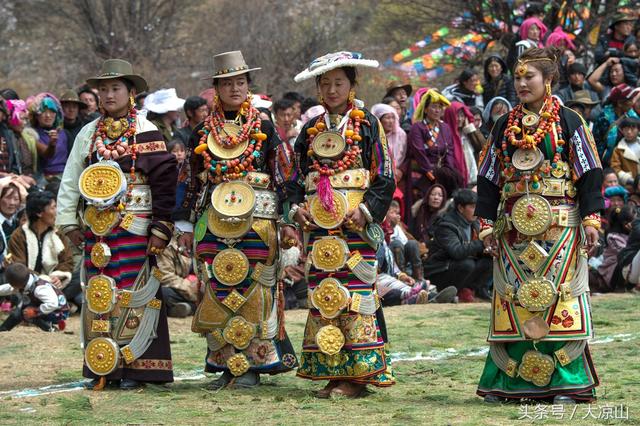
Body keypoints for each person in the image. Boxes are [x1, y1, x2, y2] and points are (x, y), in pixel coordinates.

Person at [476, 47, 602, 403]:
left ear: (548, 80)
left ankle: (565, 381)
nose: (521, 84)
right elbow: (487, 179)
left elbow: (590, 173)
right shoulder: (504, 125)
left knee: (556, 303)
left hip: (560, 228)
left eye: (528, 77)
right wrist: (486, 226)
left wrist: (592, 219)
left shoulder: (569, 121)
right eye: (517, 77)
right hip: (513, 231)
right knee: (516, 301)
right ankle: (508, 381)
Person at [178, 50, 297, 390]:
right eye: (227, 83)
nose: (234, 88)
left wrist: (287, 218)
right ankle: (229, 364)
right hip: (212, 222)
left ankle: (255, 365)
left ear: (248, 85)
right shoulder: (202, 131)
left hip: (257, 222)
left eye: (240, 82)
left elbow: (283, 174)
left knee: (254, 289)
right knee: (218, 287)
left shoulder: (265, 128)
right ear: (216, 88)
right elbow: (188, 177)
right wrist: (184, 225)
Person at [56, 59, 176, 390]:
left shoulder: (146, 130)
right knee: (100, 293)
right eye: (103, 89)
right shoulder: (87, 133)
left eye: (116, 88)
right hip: (98, 230)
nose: (109, 95)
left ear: (131, 92)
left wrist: (161, 226)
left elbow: (164, 182)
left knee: (135, 294)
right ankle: (103, 366)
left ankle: (138, 369)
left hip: (136, 226)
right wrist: (68, 222)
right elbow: (70, 179)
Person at [286, 51, 396, 397]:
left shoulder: (367, 124)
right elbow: (293, 179)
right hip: (320, 231)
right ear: (318, 88)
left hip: (356, 228)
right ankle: (333, 371)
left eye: (339, 83)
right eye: (326, 83)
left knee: (356, 296)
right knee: (324, 295)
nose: (332, 90)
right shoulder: (310, 130)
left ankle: (359, 375)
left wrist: (364, 211)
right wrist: (295, 211)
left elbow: (385, 176)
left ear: (352, 85)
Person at [8, 190, 76, 304]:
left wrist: (59, 277)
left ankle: (56, 300)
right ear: (39, 213)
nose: (56, 212)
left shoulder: (57, 234)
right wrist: (45, 280)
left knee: (80, 277)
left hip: (55, 283)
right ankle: (58, 301)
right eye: (53, 208)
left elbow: (67, 261)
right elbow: (19, 267)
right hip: (29, 286)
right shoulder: (19, 236)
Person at [422, 189, 491, 302]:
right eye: (473, 207)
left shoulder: (475, 223)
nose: (477, 211)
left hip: (458, 265)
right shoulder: (446, 225)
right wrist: (481, 244)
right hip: (440, 269)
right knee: (467, 264)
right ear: (460, 208)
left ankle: (473, 290)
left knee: (489, 260)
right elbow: (456, 251)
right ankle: (451, 292)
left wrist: (489, 248)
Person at [404, 89, 461, 224]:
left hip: (441, 171)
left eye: (440, 107)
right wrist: (431, 174)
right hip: (424, 171)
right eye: (433, 107)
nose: (437, 110)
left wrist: (448, 171)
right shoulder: (418, 127)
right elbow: (419, 153)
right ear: (425, 109)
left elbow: (449, 151)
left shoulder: (445, 128)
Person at [0, 263, 69, 332]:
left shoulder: (39, 289)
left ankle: (51, 328)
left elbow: (53, 303)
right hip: (48, 306)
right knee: (23, 308)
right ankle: (3, 329)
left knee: (26, 313)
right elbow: (8, 288)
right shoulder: (25, 281)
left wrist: (36, 311)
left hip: (60, 311)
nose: (11, 286)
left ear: (16, 284)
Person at [593, 83, 638, 166]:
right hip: (606, 162)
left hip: (629, 160)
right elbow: (596, 142)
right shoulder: (604, 118)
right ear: (620, 103)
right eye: (630, 100)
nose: (632, 102)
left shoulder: (632, 115)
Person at [28, 93, 69, 183]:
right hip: (43, 179)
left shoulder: (64, 133)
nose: (48, 115)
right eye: (43, 111)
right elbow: (47, 154)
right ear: (36, 115)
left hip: (64, 177)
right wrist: (52, 145)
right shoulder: (31, 134)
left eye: (52, 111)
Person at [443, 101, 485, 187]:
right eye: (457, 115)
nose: (460, 119)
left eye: (462, 115)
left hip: (473, 180)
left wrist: (470, 128)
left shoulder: (467, 132)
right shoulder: (445, 134)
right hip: (455, 180)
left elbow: (482, 147)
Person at [156, 234, 197, 317]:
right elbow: (164, 276)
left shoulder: (200, 245)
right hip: (178, 287)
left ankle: (182, 308)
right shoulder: (167, 246)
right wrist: (192, 289)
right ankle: (192, 307)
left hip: (194, 287)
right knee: (162, 293)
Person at [371, 103, 407, 181]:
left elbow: (405, 155)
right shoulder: (373, 135)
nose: (391, 121)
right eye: (387, 118)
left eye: (393, 118)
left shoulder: (401, 134)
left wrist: (399, 170)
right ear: (379, 120)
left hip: (397, 174)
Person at [5, 100, 38, 177]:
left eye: (26, 119)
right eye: (22, 119)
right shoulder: (8, 138)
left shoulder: (25, 138)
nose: (25, 123)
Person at [611, 116, 640, 186]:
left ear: (638, 130)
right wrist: (630, 180)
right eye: (626, 129)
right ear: (622, 130)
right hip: (629, 185)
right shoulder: (618, 149)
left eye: (632, 129)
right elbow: (615, 168)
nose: (629, 132)